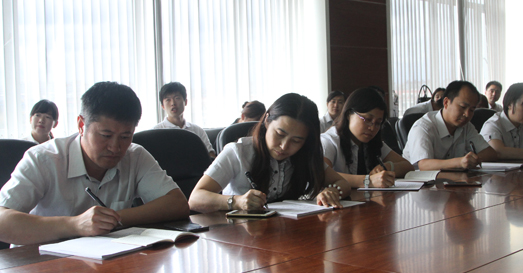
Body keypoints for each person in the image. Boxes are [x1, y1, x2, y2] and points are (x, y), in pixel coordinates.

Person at [0, 81, 190, 245]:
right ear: (81, 125)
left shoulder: (135, 155)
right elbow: (2, 221)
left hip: (109, 262)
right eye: (105, 135)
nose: (115, 147)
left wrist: (113, 218)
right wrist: (74, 225)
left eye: (125, 136)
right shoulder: (44, 159)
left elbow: (177, 204)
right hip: (41, 265)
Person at [189, 93, 351, 212]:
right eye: (279, 134)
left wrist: (332, 192)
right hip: (240, 234)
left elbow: (342, 183)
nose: (284, 146)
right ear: (266, 120)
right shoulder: (237, 152)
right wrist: (237, 202)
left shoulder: (305, 154)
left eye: (296, 141)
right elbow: (195, 198)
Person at [321, 87, 413, 188]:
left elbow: (407, 166)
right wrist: (368, 181)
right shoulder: (329, 140)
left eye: (378, 123)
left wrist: (387, 166)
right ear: (348, 114)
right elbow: (322, 175)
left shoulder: (373, 141)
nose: (372, 128)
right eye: (368, 119)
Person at [403, 81, 498, 171]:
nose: (467, 114)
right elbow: (424, 165)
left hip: (452, 180)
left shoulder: (466, 126)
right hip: (420, 181)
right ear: (446, 102)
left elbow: (489, 153)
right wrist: (460, 162)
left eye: (472, 110)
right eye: (463, 107)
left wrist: (472, 159)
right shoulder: (423, 127)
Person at [154, 82, 216, 158]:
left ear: (185, 102)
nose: (173, 103)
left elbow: (211, 156)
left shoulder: (197, 130)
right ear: (162, 106)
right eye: (168, 100)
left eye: (177, 98)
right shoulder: (155, 132)